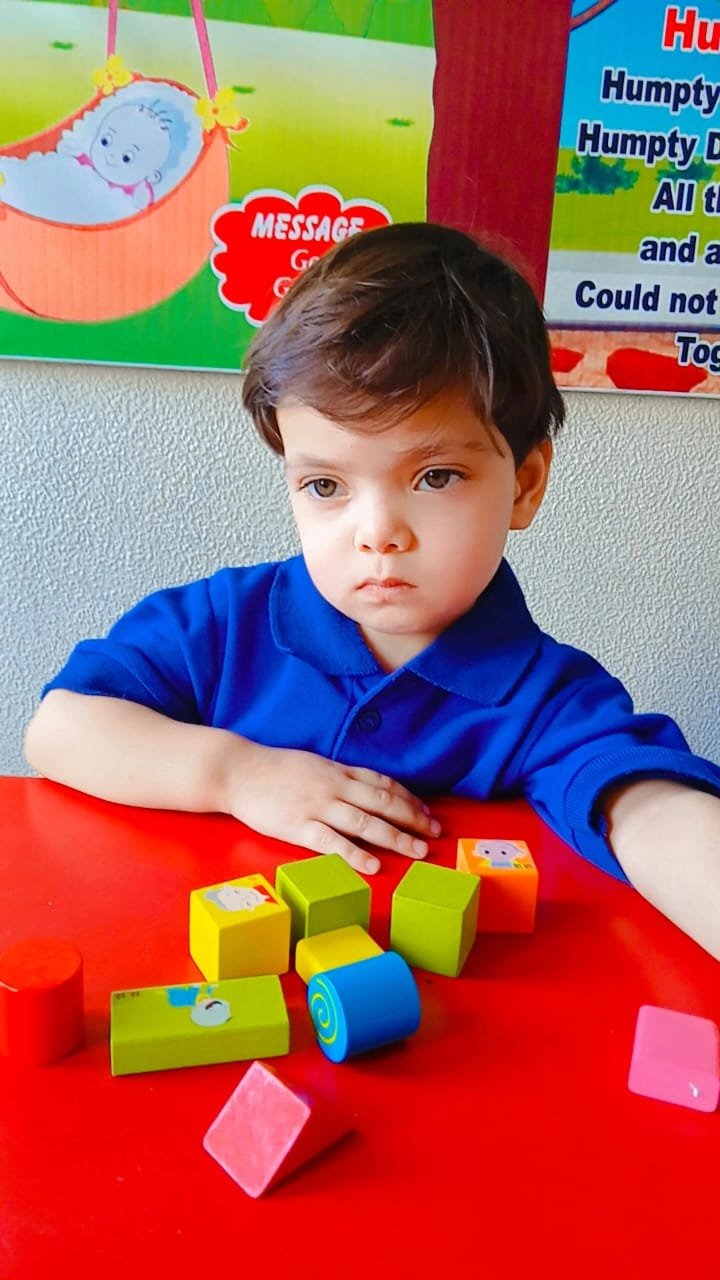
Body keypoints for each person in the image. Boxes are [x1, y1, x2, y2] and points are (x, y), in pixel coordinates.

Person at [24, 222, 720, 959]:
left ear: (524, 485)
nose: (377, 533)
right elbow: (59, 729)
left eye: (436, 477)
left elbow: (650, 811)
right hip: (214, 986)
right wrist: (237, 775)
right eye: (326, 485)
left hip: (440, 1012)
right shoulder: (221, 627)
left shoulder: (547, 699)